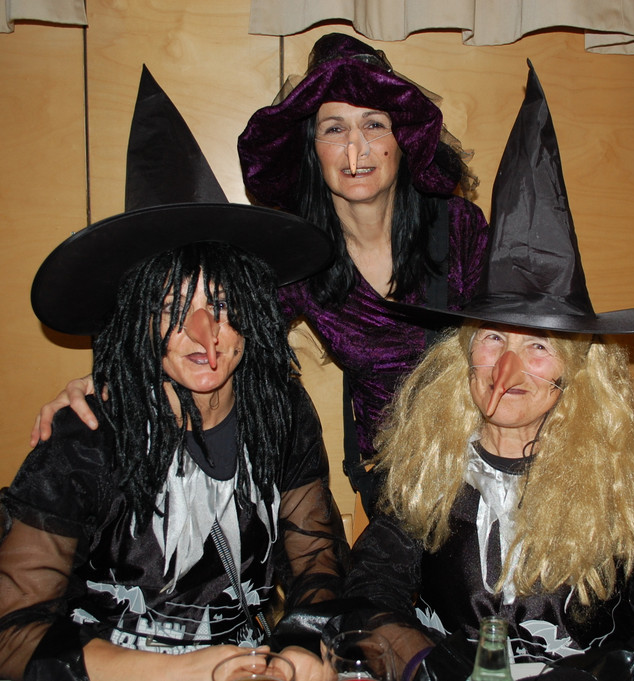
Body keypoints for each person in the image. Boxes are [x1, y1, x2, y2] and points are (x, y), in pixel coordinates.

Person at [335, 64, 634, 681]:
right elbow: (368, 597)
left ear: (576, 373)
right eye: (494, 337)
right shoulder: (427, 463)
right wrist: (428, 667)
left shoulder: (622, 474)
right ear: (464, 356)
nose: (507, 367)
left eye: (539, 347)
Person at [0, 68, 348, 681]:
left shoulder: (280, 411)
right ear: (138, 322)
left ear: (255, 317)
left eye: (223, 305)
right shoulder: (84, 437)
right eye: (174, 308)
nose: (205, 335)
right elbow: (11, 640)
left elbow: (316, 564)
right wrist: (179, 671)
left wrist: (299, 653)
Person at [32, 34, 490, 515]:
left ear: (402, 141)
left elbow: (516, 334)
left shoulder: (459, 228)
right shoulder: (302, 259)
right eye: (335, 129)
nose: (356, 149)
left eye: (374, 125)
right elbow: (214, 327)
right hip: (395, 481)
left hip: (489, 454)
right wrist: (106, 380)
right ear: (312, 150)